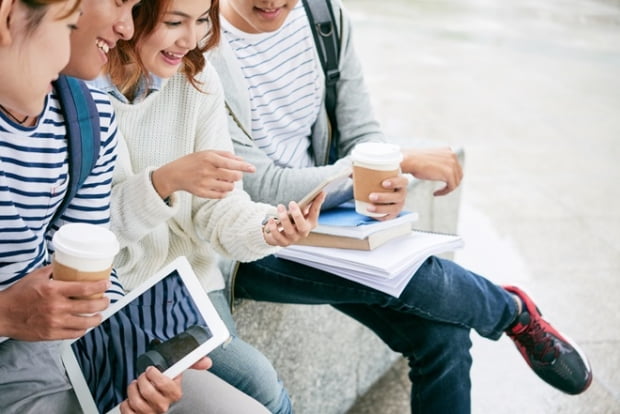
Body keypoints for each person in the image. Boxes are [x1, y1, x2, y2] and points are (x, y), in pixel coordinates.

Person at [204, 0, 594, 412]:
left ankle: (510, 311)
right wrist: (399, 160)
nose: (271, 1)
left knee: (443, 334)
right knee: (418, 283)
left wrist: (380, 183)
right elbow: (259, 184)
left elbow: (362, 133)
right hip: (249, 236)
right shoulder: (201, 43)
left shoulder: (323, 18)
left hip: (325, 218)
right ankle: (510, 311)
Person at [90, 0, 324, 412]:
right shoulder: (84, 91)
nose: (191, 39)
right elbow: (90, 229)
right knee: (257, 384)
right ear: (131, 16)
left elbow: (219, 208)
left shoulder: (197, 79)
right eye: (174, 22)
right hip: (118, 296)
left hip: (188, 287)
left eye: (201, 21)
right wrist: (165, 181)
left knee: (261, 383)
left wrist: (269, 227)